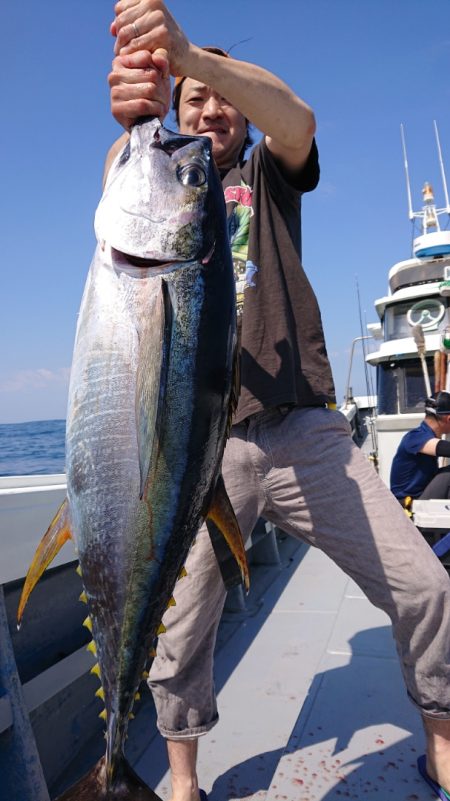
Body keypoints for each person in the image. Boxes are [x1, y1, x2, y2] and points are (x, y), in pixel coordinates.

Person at [106, 3, 450, 800]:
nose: (212, 109)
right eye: (194, 100)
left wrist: (196, 59)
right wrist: (134, 116)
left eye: (224, 97)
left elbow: (296, 121)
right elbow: (117, 190)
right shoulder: (160, 180)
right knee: (182, 625)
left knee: (426, 586)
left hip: (307, 432)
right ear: (176, 114)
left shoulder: (264, 175)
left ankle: (440, 738)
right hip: (204, 447)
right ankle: (181, 778)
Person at [390, 391, 450, 505]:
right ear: (448, 419)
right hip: (409, 505)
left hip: (421, 496)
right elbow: (444, 448)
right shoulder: (415, 437)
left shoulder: (423, 434)